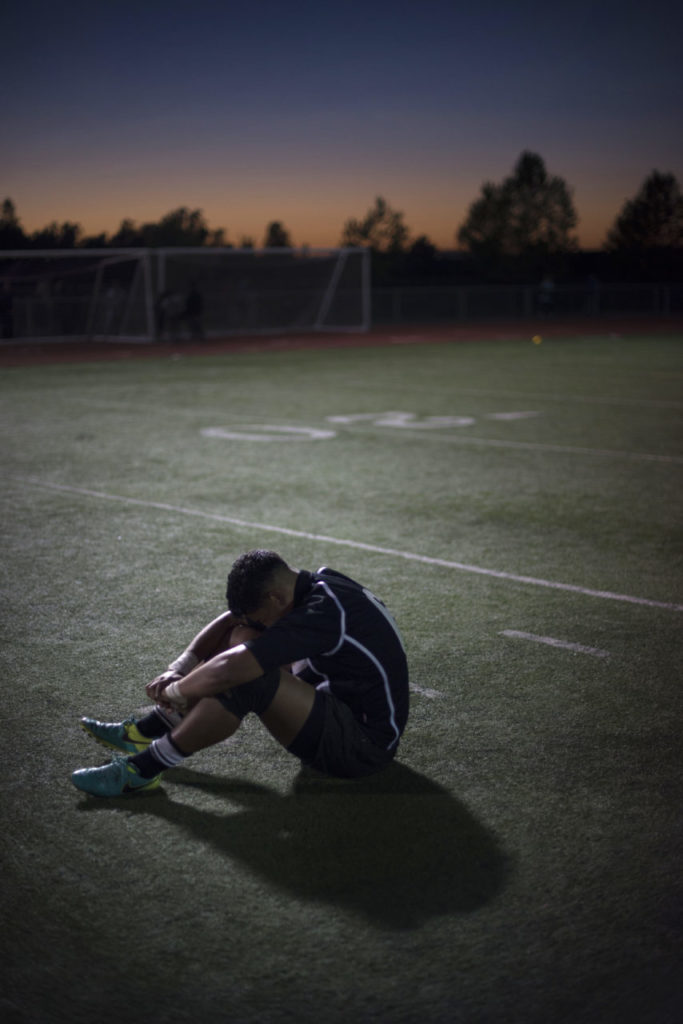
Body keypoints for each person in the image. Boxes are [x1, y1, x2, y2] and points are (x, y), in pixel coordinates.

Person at [72, 550, 410, 797]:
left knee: (247, 675)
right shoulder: (317, 586)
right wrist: (179, 669)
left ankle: (141, 770)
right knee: (245, 636)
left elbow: (233, 667)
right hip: (333, 703)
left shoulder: (324, 612)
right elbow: (235, 619)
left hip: (362, 746)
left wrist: (177, 692)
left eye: (262, 613)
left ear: (276, 596)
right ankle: (145, 733)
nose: (259, 622)